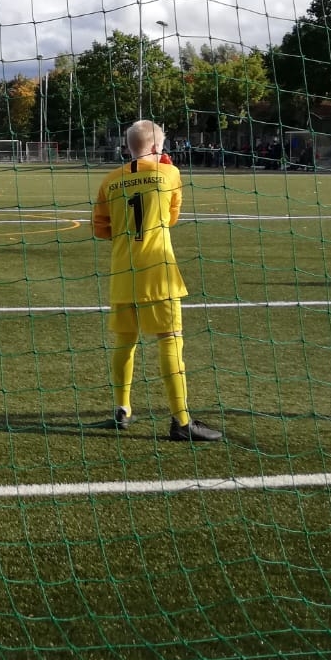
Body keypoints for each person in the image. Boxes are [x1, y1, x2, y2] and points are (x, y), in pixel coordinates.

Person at [91, 119, 223, 442]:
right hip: (158, 271)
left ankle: (122, 409)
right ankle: (181, 421)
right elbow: (172, 217)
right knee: (170, 341)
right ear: (155, 146)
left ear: (128, 147)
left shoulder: (110, 180)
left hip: (123, 272)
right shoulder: (170, 174)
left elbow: (100, 229)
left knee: (125, 342)